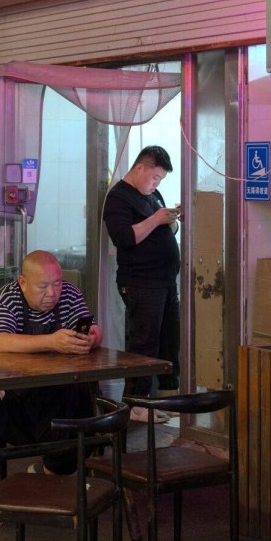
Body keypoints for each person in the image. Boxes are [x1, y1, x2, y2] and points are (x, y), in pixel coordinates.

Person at [0, 250, 102, 494]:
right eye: (43, 286)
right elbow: (1, 342)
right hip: (9, 388)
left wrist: (91, 337)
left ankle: (51, 469)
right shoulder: (6, 298)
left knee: (86, 399)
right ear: (23, 282)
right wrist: (52, 342)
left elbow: (92, 327)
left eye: (57, 284)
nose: (52, 293)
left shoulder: (69, 293)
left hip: (54, 384)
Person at [103, 145, 181, 424]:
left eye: (161, 179)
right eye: (155, 177)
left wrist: (171, 220)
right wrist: (156, 219)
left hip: (165, 280)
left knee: (168, 340)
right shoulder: (118, 199)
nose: (157, 184)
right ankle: (136, 405)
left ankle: (164, 397)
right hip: (141, 283)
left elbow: (163, 229)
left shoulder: (153, 194)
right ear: (140, 168)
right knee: (143, 344)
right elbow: (123, 238)